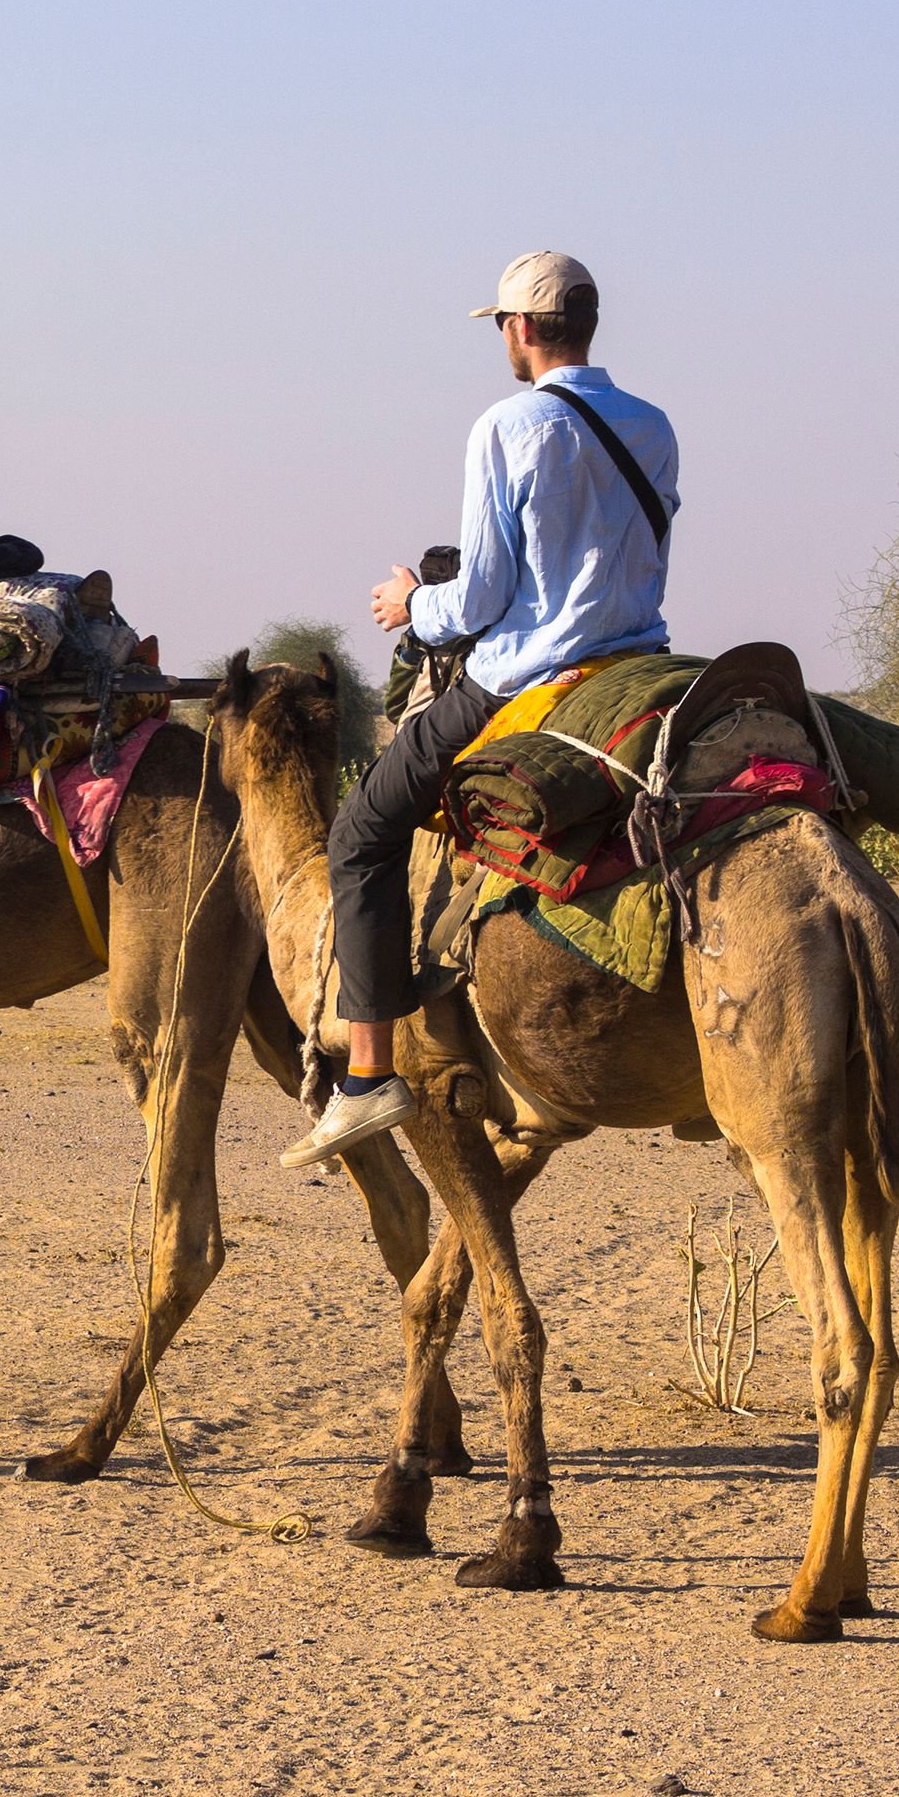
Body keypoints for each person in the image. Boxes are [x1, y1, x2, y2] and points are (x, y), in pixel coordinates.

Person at [280, 250, 681, 1167]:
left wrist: (409, 606)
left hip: (528, 677)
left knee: (363, 831)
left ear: (519, 329)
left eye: (499, 325)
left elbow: (485, 596)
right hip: (639, 662)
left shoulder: (508, 424)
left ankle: (367, 1077)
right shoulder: (652, 424)